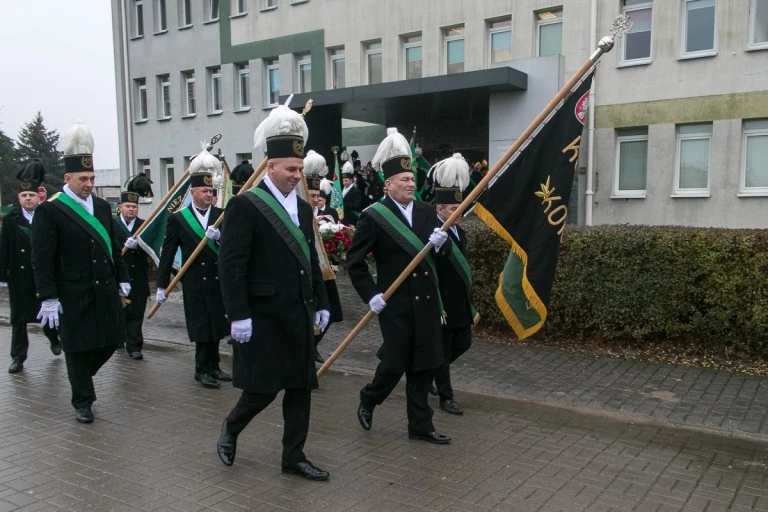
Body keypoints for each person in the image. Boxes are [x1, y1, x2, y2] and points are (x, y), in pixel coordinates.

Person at [216, 105, 331, 481]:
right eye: (291, 170)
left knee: (300, 389)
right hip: (262, 316)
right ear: (270, 167)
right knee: (262, 390)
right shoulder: (244, 206)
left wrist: (322, 303)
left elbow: (310, 260)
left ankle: (293, 456)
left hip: (297, 313)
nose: (297, 176)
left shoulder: (301, 207)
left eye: (300, 170)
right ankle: (232, 427)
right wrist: (238, 315)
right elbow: (231, 266)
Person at [346, 127, 451, 444]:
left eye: (412, 179)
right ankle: (369, 397)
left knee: (424, 364)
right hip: (395, 303)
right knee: (394, 363)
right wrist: (371, 294)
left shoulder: (427, 211)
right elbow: (355, 262)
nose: (410, 184)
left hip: (427, 301)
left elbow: (441, 258)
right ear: (388, 184)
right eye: (404, 180)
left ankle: (420, 424)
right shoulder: (374, 217)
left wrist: (442, 244)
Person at [31, 120, 130, 423]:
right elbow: (42, 258)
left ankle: (81, 377)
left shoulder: (101, 207)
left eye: (92, 177)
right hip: (72, 292)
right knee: (76, 347)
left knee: (113, 338)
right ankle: (82, 401)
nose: (88, 183)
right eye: (83, 178)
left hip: (103, 288)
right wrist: (48, 296)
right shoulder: (50, 210)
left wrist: (123, 276)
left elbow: (113, 245)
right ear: (68, 178)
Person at [155, 146, 231, 389]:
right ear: (193, 192)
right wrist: (161, 284)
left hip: (217, 279)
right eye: (204, 191)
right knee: (202, 326)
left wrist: (218, 237)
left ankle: (215, 366)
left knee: (217, 324)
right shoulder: (178, 218)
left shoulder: (221, 215)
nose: (209, 194)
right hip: (195, 281)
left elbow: (231, 247)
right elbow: (167, 253)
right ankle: (202, 370)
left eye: (211, 190)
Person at [0, 160, 61, 373]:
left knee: (47, 314)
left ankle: (54, 339)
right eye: (24, 196)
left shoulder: (48, 216)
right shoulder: (10, 219)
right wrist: (2, 273)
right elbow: (4, 247)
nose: (28, 199)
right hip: (20, 276)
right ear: (19, 198)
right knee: (18, 320)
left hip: (42, 276)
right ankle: (18, 356)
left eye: (31, 195)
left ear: (39, 197)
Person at [430, 154, 476, 416]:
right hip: (441, 300)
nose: (457, 214)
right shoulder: (434, 233)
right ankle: (446, 396)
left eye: (460, 210)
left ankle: (433, 373)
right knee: (444, 347)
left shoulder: (461, 232)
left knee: (464, 342)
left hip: (460, 299)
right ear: (440, 210)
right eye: (452, 210)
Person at [303, 150, 343, 363]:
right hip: (306, 273)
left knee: (330, 312)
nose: (316, 200)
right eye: (312, 196)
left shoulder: (329, 214)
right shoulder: (297, 214)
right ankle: (307, 350)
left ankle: (313, 346)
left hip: (325, 271)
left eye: (318, 196)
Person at [115, 177, 153, 360]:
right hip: (117, 274)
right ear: (120, 207)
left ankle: (135, 345)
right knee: (120, 311)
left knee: (136, 312)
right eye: (128, 206)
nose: (131, 209)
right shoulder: (111, 224)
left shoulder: (143, 225)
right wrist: (123, 244)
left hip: (137, 276)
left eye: (134, 207)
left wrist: (139, 245)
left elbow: (151, 248)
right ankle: (118, 338)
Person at [341, 161, 363, 227]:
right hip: (343, 216)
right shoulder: (342, 189)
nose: (344, 183)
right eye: (343, 181)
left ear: (351, 180)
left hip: (351, 217)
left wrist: (343, 205)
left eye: (346, 181)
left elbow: (356, 205)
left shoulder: (356, 191)